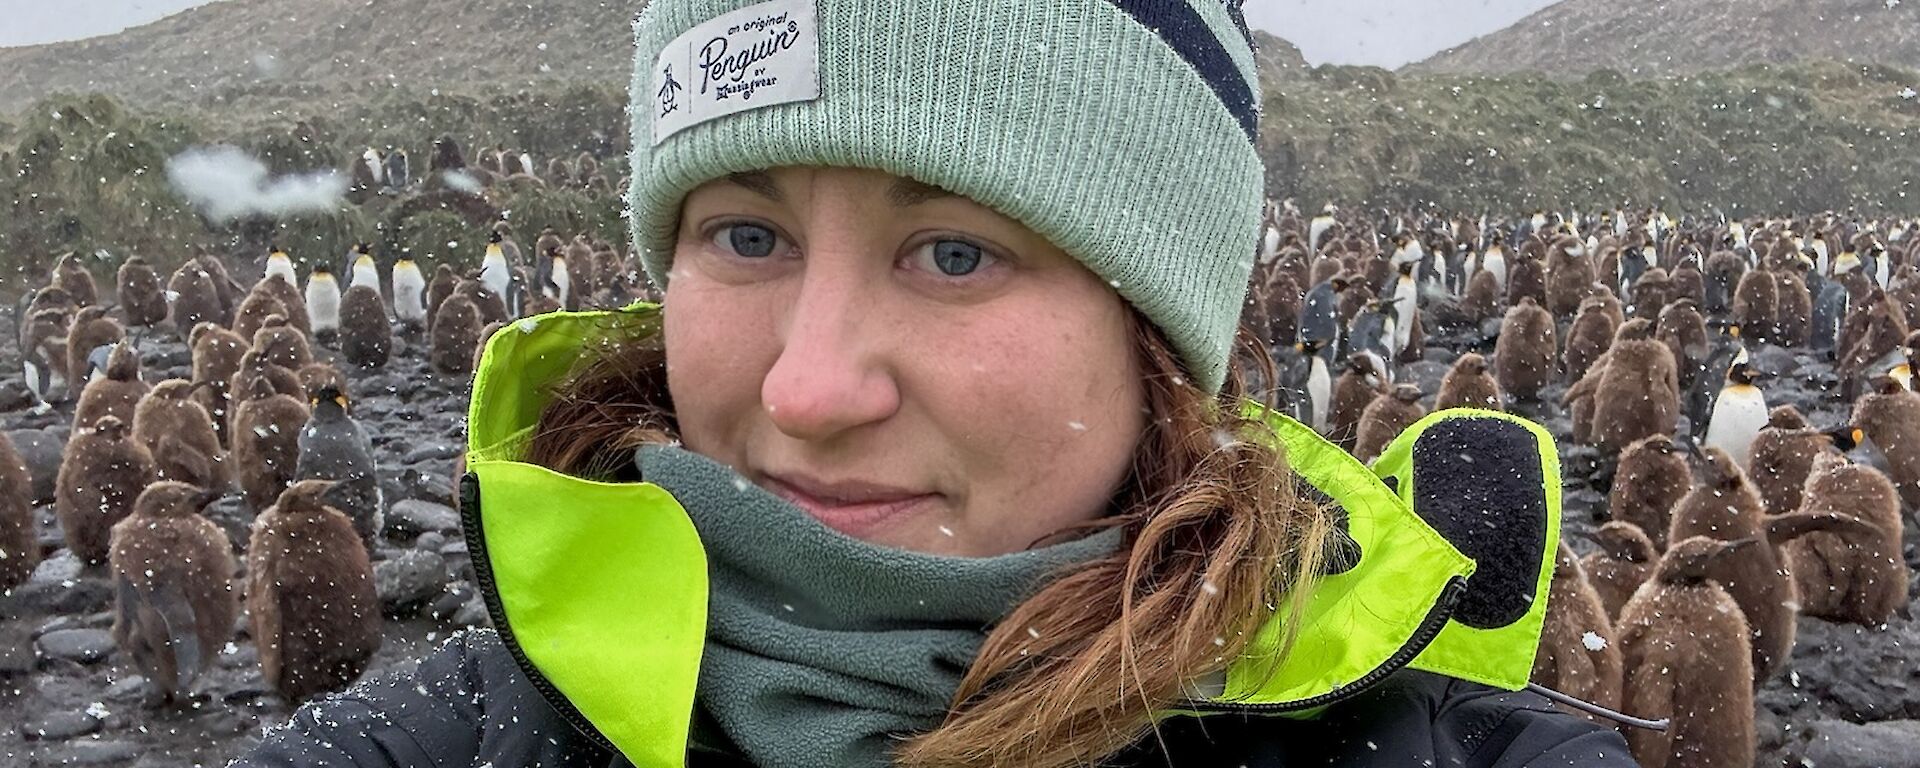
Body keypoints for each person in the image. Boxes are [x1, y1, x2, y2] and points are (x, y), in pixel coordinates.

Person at [235, 1, 1639, 766]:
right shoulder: (445, 744)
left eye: (955, 251)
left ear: (1156, 344)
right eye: (745, 235)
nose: (808, 385)